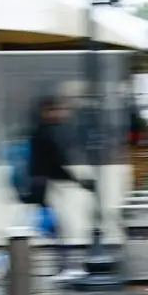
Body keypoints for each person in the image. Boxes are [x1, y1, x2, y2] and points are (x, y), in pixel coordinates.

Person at [27, 96, 93, 274]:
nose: (62, 113)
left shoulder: (47, 132)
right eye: (56, 110)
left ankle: (63, 265)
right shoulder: (45, 134)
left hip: (42, 184)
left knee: (51, 228)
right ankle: (63, 266)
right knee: (50, 228)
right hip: (43, 186)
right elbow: (54, 165)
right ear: (46, 112)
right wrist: (79, 181)